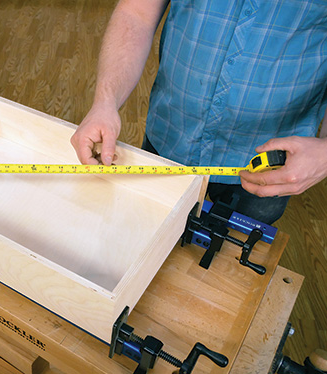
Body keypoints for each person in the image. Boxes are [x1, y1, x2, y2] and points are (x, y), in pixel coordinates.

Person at [70, 0, 327, 224]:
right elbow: (137, 12)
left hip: (268, 167)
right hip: (170, 138)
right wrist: (105, 101)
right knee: (139, 237)